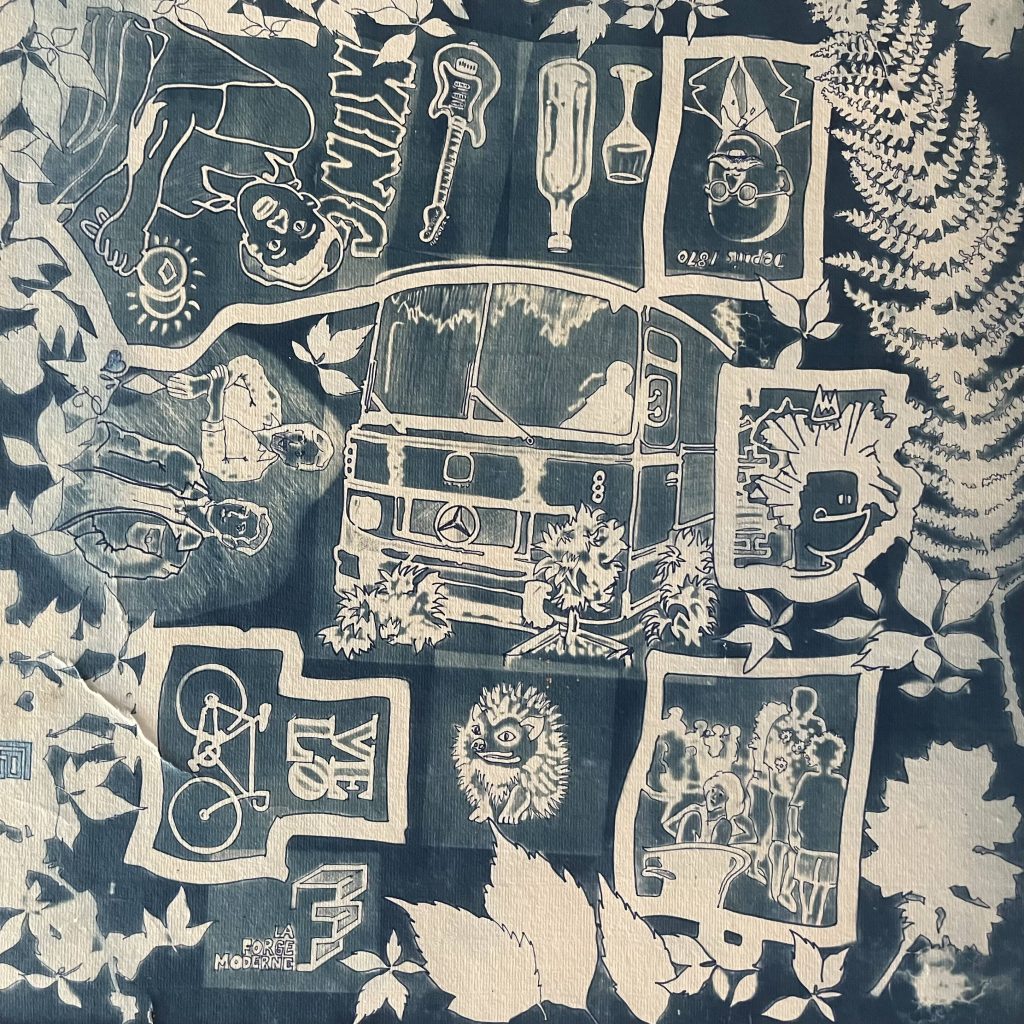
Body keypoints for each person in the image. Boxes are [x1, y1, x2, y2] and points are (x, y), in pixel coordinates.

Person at [72, 17, 347, 291]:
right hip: (113, 46)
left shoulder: (186, 201)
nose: (280, 224)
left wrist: (106, 222)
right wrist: (136, 213)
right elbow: (175, 104)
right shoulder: (291, 128)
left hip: (81, 125)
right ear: (307, 201)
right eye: (300, 226)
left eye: (275, 245)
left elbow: (129, 157)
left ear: (251, 248)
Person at [59, 421, 272, 579]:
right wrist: (88, 441)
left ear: (228, 541)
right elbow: (128, 442)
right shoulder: (186, 468)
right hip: (73, 455)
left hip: (65, 514)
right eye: (242, 509)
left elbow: (115, 564)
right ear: (237, 499)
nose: (232, 514)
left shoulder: (172, 557)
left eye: (240, 526)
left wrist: (82, 529)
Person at [167, 356, 334, 483]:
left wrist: (216, 402)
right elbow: (247, 365)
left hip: (172, 429)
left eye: (299, 454)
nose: (292, 445)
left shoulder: (254, 469)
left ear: (293, 465)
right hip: (181, 378)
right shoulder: (271, 403)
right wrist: (202, 385)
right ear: (300, 425)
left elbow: (213, 465)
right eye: (300, 438)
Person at [790, 733, 848, 926]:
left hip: (830, 844)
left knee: (822, 888)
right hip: (809, 841)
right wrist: (793, 832)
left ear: (835, 758)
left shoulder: (841, 782)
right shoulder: (808, 778)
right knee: (805, 885)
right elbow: (794, 806)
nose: (825, 759)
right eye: (823, 754)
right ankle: (805, 921)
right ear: (816, 755)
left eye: (829, 755)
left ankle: (813, 923)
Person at [560, 361, 635, 434]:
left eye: (619, 378)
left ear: (628, 381)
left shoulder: (628, 401)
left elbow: (621, 426)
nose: (612, 380)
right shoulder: (602, 392)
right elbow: (585, 414)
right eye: (612, 376)